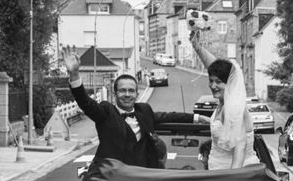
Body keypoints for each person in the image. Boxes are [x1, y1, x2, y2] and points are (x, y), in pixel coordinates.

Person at [60, 45, 209, 168]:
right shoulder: (106, 111)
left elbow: (170, 116)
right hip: (112, 175)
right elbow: (86, 103)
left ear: (137, 94)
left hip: (143, 176)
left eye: (131, 91)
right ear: (115, 93)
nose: (127, 94)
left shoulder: (144, 110)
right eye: (122, 90)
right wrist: (74, 74)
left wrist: (198, 118)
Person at [190, 30, 260, 170]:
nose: (213, 86)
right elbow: (215, 66)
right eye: (211, 81)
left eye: (218, 82)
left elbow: (240, 146)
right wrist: (197, 47)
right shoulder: (224, 103)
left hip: (231, 175)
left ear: (230, 83)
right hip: (218, 172)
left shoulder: (232, 107)